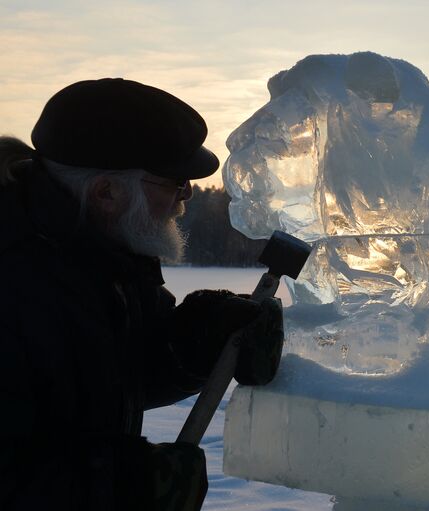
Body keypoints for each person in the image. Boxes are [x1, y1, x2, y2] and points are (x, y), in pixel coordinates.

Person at [0, 78, 284, 511]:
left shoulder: (107, 254)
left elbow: (118, 368)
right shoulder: (14, 277)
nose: (186, 194)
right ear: (107, 192)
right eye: (174, 180)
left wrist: (198, 339)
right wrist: (122, 487)